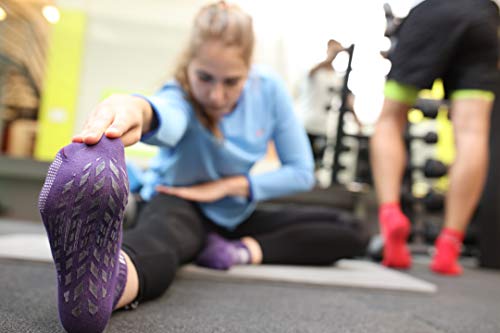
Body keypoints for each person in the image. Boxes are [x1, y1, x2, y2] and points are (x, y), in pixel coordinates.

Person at [38, 2, 368, 332]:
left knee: (351, 232)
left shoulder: (269, 89)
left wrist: (226, 187)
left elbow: (301, 171)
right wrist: (134, 108)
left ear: (249, 70)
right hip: (177, 202)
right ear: (189, 66)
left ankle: (237, 251)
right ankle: (106, 285)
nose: (216, 94)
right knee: (162, 245)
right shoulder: (179, 94)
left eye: (231, 82)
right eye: (205, 78)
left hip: (234, 211)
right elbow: (164, 115)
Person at [370, 0, 499, 275]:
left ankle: (390, 214)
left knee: (390, 119)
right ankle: (449, 246)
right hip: (481, 15)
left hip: (433, 12)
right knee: (473, 131)